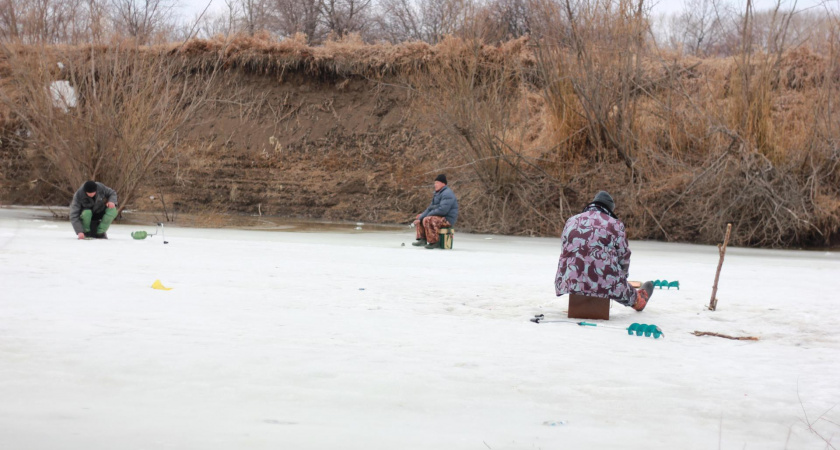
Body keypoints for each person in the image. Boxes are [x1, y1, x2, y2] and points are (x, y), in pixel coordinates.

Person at [554, 191, 654, 311]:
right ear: (610, 210)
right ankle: (639, 300)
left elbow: (565, 251)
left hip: (569, 280)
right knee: (629, 295)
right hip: (605, 282)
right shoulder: (615, 224)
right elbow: (623, 256)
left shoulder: (571, 221)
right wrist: (622, 278)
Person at [412, 174, 459, 249]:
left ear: (443, 184)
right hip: (439, 217)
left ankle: (434, 242)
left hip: (447, 219)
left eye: (437, 183)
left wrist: (427, 216)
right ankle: (422, 239)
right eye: (435, 183)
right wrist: (420, 218)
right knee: (420, 217)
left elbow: (443, 210)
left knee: (428, 219)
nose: (435, 185)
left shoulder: (447, 194)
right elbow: (429, 208)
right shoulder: (437, 194)